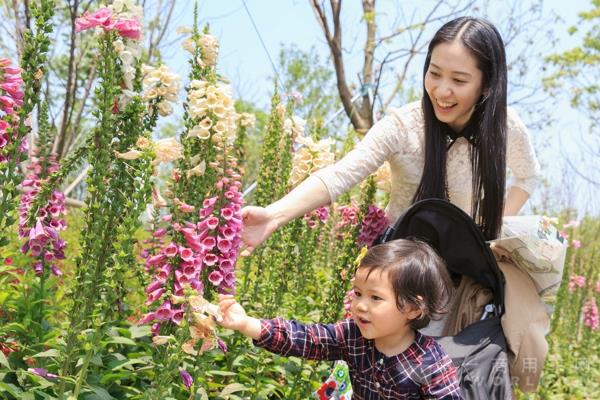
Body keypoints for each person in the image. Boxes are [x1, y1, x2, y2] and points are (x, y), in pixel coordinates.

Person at [241, 16, 541, 252]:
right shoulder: (403, 126)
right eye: (434, 73)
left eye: (459, 80)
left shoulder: (505, 127)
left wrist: (491, 229)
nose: (441, 91)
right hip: (404, 266)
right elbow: (340, 174)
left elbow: (528, 176)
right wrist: (274, 215)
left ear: (487, 85)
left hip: (467, 268)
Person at [218, 239, 464, 399]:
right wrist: (247, 323)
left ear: (413, 308)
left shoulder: (431, 363)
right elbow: (307, 339)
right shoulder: (352, 336)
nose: (360, 306)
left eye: (375, 298)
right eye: (358, 294)